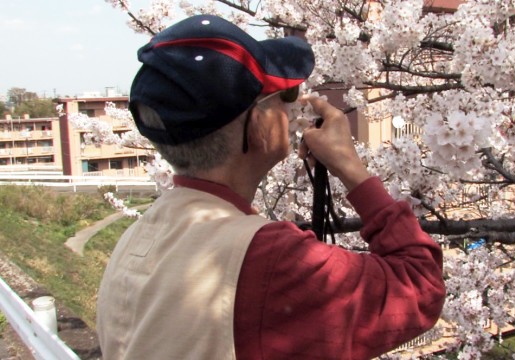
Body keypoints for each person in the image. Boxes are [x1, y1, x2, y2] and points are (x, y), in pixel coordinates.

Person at [96, 14, 446, 360]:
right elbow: (420, 287)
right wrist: (351, 169)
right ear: (257, 124)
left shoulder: (137, 238)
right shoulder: (270, 258)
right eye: (286, 95)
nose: (293, 106)